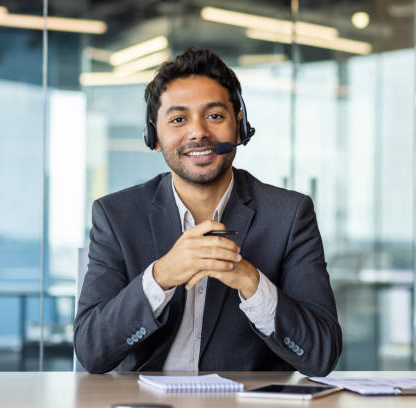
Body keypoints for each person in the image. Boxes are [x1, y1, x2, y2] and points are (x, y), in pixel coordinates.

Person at [74, 47, 342, 376]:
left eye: (214, 116)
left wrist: (250, 281)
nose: (198, 132)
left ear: (239, 128)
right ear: (154, 136)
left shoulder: (288, 214)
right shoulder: (116, 215)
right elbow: (91, 351)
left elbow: (321, 355)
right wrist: (161, 277)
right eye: (178, 119)